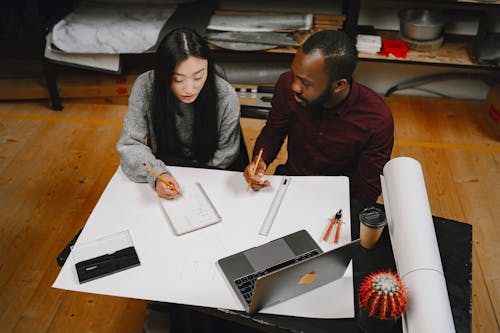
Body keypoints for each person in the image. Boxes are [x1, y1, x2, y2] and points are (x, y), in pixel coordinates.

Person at [243, 30, 394, 237]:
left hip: (337, 201)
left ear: (339, 85)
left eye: (306, 83)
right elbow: (273, 130)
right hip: (290, 182)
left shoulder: (376, 119)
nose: (294, 86)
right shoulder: (287, 84)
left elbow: (365, 191)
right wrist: (260, 161)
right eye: (295, 75)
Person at [117, 28, 241, 200]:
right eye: (178, 79)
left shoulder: (225, 95)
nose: (189, 89)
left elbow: (226, 155)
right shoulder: (146, 87)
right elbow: (129, 144)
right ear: (163, 74)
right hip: (165, 167)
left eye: (198, 76)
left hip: (211, 175)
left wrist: (191, 183)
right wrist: (158, 175)